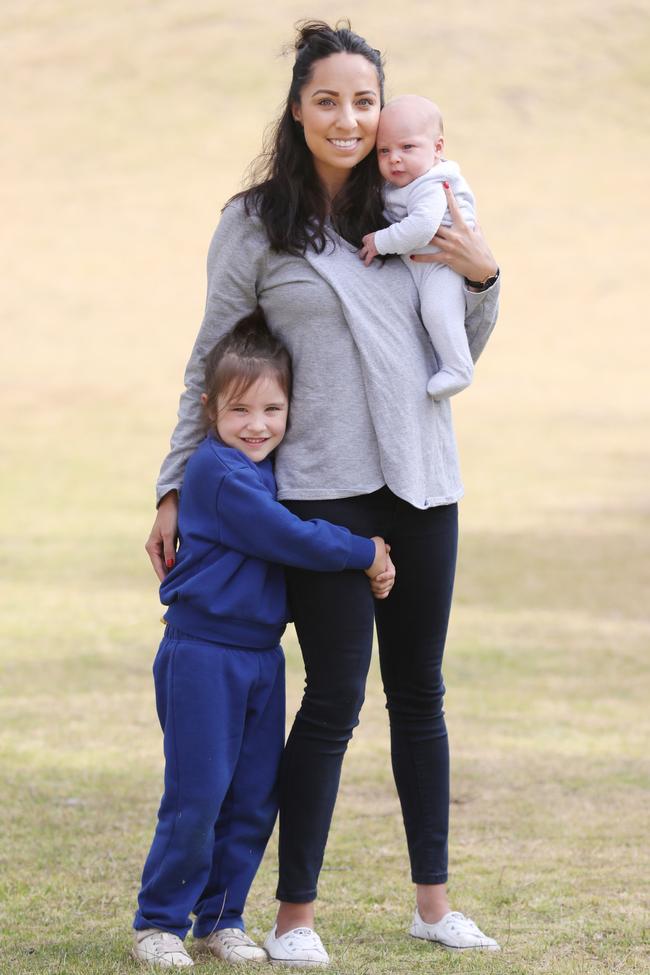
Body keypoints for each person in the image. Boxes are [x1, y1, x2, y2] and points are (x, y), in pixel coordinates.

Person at [146, 19, 502, 965]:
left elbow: (459, 339)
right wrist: (173, 483)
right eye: (329, 99)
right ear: (298, 108)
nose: (349, 118)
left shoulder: (413, 203)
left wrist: (486, 275)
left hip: (424, 482)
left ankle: (434, 904)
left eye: (365, 101)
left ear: (384, 111)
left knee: (419, 693)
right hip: (321, 491)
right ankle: (291, 917)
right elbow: (208, 360)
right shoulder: (256, 223)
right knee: (335, 697)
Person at [133, 309, 395, 968]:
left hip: (260, 657)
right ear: (209, 409)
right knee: (199, 791)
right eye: (240, 408)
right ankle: (159, 920)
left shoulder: (268, 469)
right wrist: (363, 549)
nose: (257, 423)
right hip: (203, 652)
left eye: (273, 408)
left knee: (253, 792)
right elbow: (288, 537)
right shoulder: (216, 472)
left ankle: (221, 916)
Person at [359, 95, 479, 401]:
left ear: (437, 148)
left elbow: (423, 226)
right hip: (420, 262)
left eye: (407, 147)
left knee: (438, 310)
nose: (394, 158)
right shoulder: (403, 183)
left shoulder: (432, 183)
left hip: (443, 264)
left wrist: (379, 241)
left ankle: (457, 367)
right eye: (384, 151)